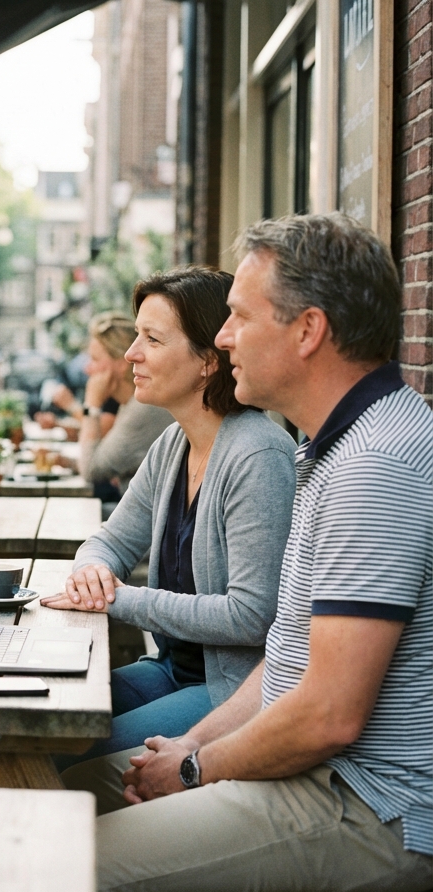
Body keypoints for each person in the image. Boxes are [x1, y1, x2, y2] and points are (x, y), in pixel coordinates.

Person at [72, 214, 433, 892]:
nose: (225, 335)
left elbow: (328, 714)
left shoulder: (374, 467)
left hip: (369, 802)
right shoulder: (332, 448)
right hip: (323, 771)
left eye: (239, 316)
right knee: (56, 796)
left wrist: (192, 769)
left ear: (308, 331)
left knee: (54, 857)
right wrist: (192, 744)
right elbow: (288, 658)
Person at [41, 268, 296, 769]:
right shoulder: (175, 442)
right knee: (34, 717)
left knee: (66, 753)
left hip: (228, 691)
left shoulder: (257, 457)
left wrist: (115, 599)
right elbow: (108, 542)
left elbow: (251, 615)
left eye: (152, 339)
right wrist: (92, 570)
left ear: (207, 360)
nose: (131, 354)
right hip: (170, 669)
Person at [65, 312, 173, 503]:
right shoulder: (131, 405)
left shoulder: (143, 409)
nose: (87, 368)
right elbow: (103, 460)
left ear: (122, 362)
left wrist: (91, 404)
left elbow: (91, 470)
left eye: (95, 359)